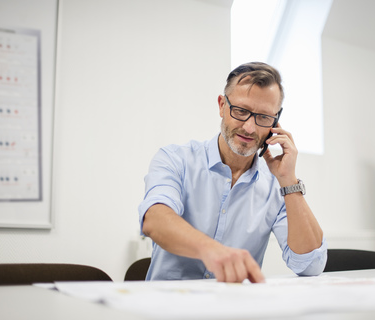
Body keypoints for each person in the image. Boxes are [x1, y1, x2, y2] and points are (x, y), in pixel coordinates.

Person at [138, 62, 327, 283]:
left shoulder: (277, 185)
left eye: (264, 117)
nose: (249, 128)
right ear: (221, 105)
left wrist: (289, 181)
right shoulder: (175, 159)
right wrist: (211, 250)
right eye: (240, 111)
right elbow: (154, 220)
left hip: (235, 308)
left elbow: (310, 265)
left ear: (276, 121)